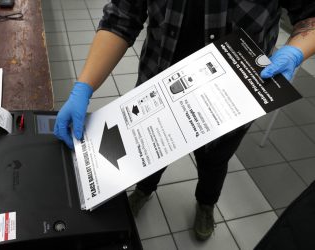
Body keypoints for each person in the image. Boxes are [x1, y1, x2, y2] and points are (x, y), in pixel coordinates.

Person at [54, 0, 315, 241]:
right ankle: (144, 190)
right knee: (149, 152)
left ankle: (205, 203)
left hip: (231, 100)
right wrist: (84, 87)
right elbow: (123, 14)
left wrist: (296, 50)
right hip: (158, 85)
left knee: (214, 160)